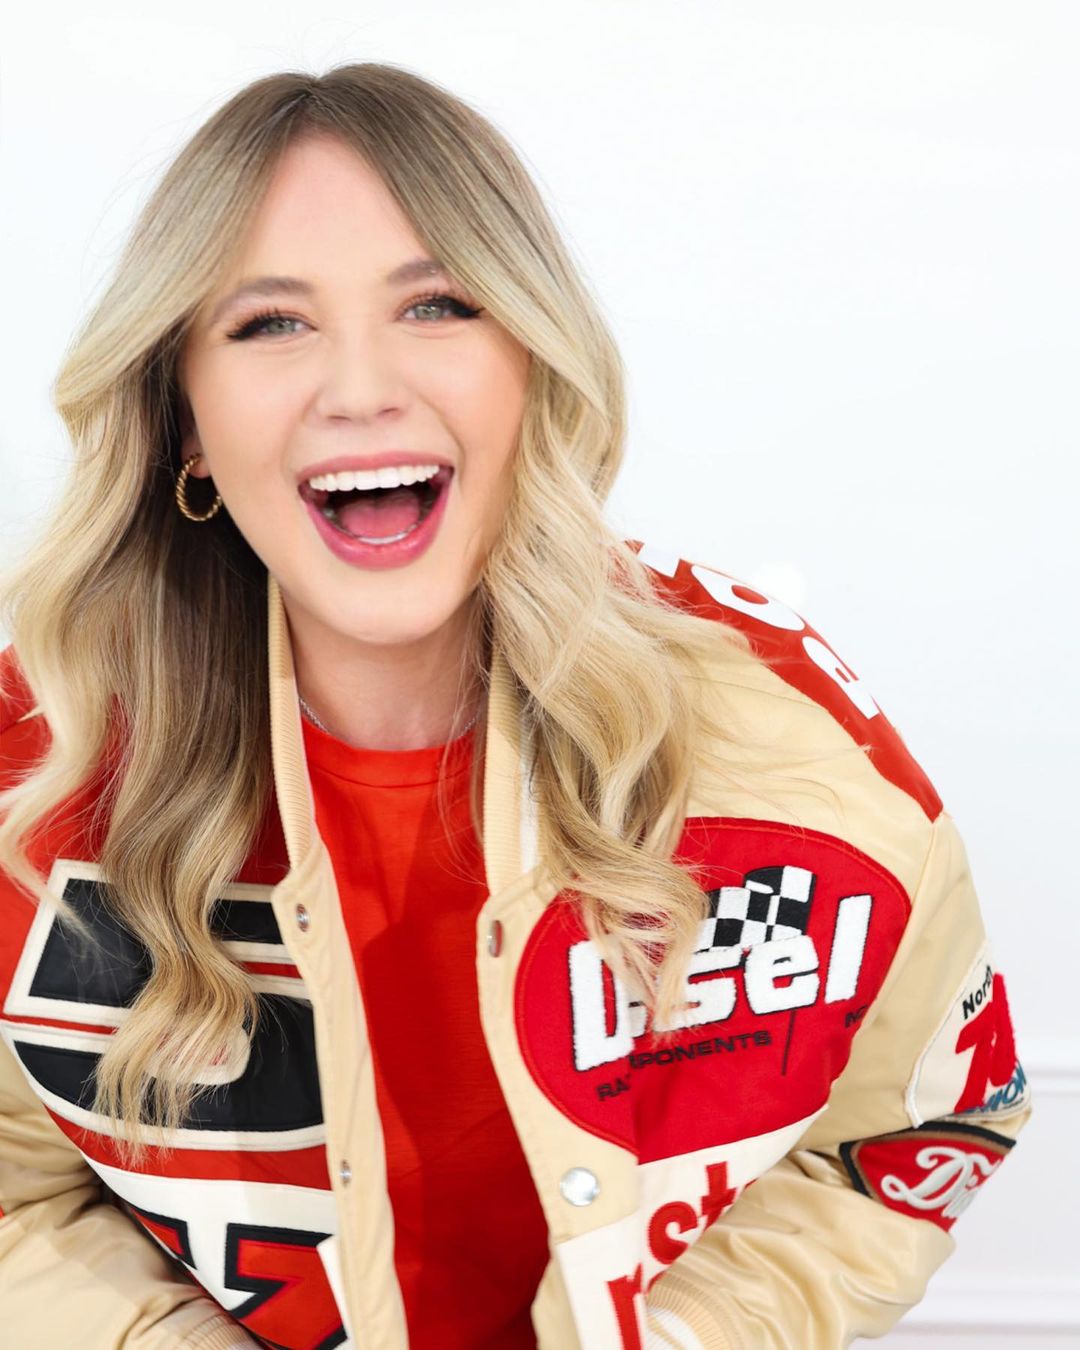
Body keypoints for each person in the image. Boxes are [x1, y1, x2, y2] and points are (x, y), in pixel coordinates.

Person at [0, 61, 1031, 1350]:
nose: (360, 388)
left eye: (437, 304)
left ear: (534, 364)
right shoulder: (39, 764)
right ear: (184, 422)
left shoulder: (788, 738)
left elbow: (916, 1132)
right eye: (269, 324)